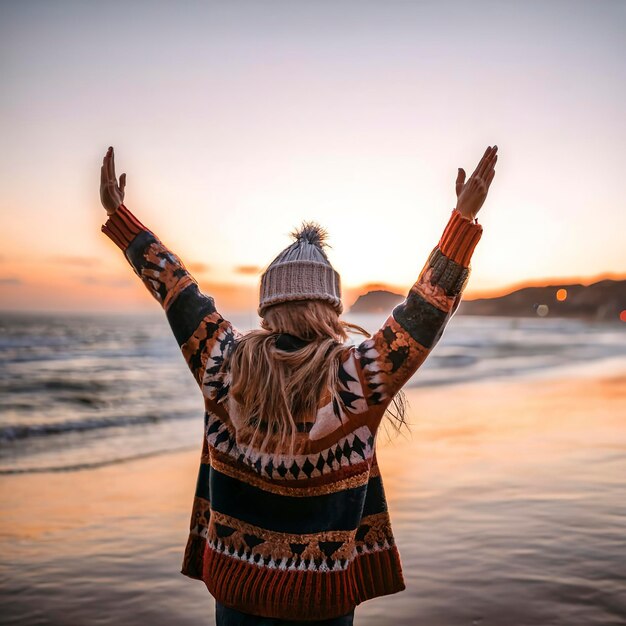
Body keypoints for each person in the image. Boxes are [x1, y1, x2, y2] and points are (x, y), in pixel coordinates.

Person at [99, 144, 497, 625]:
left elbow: (176, 290)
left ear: (269, 308)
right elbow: (423, 313)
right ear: (330, 308)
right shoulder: (355, 377)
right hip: (321, 596)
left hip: (237, 587)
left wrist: (121, 219)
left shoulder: (223, 363)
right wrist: (460, 221)